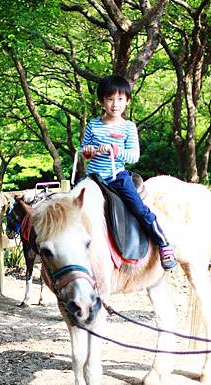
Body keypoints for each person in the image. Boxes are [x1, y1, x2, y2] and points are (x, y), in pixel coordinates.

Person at [80, 75, 177, 270]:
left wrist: (115, 150)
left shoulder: (128, 127)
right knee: (73, 205)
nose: (115, 104)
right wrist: (88, 151)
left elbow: (134, 156)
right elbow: (84, 150)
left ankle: (163, 244)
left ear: (127, 101)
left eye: (120, 99)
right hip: (93, 178)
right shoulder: (93, 125)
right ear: (101, 102)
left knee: (138, 208)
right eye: (110, 99)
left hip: (117, 177)